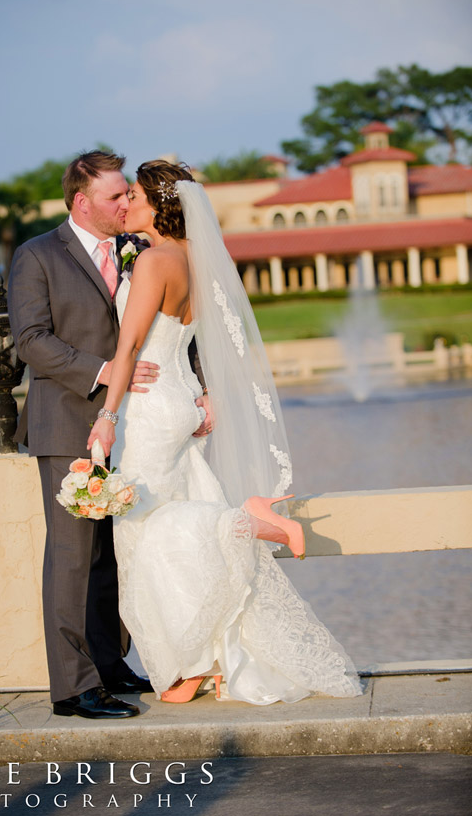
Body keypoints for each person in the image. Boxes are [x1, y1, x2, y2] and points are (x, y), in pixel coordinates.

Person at [88, 160, 362, 705]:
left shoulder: (154, 263)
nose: (129, 203)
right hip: (184, 403)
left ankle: (246, 519)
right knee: (171, 524)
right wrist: (205, 394)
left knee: (146, 533)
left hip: (150, 408)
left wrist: (107, 417)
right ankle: (203, 664)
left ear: (161, 204)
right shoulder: (195, 259)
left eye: (137, 194)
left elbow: (128, 348)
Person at [8, 151, 208, 719]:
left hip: (134, 424)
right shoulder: (37, 255)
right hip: (69, 421)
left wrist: (202, 385)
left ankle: (113, 664)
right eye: (116, 196)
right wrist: (102, 373)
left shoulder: (143, 251)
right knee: (71, 559)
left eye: (129, 194)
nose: (126, 203)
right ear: (81, 201)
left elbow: (176, 330)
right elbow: (30, 340)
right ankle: (74, 688)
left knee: (113, 556)